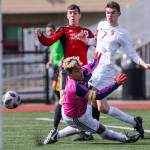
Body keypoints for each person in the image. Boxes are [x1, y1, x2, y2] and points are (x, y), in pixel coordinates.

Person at [43, 52, 141, 144]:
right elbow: (98, 95)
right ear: (70, 74)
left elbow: (90, 67)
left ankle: (56, 135)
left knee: (83, 127)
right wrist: (115, 84)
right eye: (77, 71)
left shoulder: (80, 72)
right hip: (74, 117)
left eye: (80, 68)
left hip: (77, 110)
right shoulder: (75, 87)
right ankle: (125, 139)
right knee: (100, 129)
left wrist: (95, 61)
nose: (81, 72)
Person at [35, 4, 99, 143]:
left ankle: (88, 132)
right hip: (67, 70)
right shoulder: (63, 30)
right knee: (62, 98)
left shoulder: (86, 31)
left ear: (79, 15)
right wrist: (41, 36)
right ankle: (54, 130)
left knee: (92, 99)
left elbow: (98, 44)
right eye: (70, 13)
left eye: (75, 13)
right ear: (67, 15)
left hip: (84, 71)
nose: (72, 15)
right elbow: (49, 41)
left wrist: (100, 38)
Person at [89, 1, 150, 139]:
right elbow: (97, 43)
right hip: (95, 67)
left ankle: (88, 130)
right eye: (107, 12)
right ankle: (134, 121)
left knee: (88, 97)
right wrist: (87, 41)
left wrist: (143, 63)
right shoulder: (101, 25)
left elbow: (131, 53)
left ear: (119, 14)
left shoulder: (122, 33)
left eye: (113, 13)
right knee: (101, 107)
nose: (109, 15)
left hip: (104, 70)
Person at [45, 23, 63, 101]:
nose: (49, 32)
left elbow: (67, 50)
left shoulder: (59, 40)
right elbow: (52, 53)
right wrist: (50, 61)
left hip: (62, 66)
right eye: (48, 31)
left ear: (54, 31)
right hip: (55, 66)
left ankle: (61, 105)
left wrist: (62, 60)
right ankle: (61, 104)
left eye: (51, 30)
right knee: (55, 88)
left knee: (56, 87)